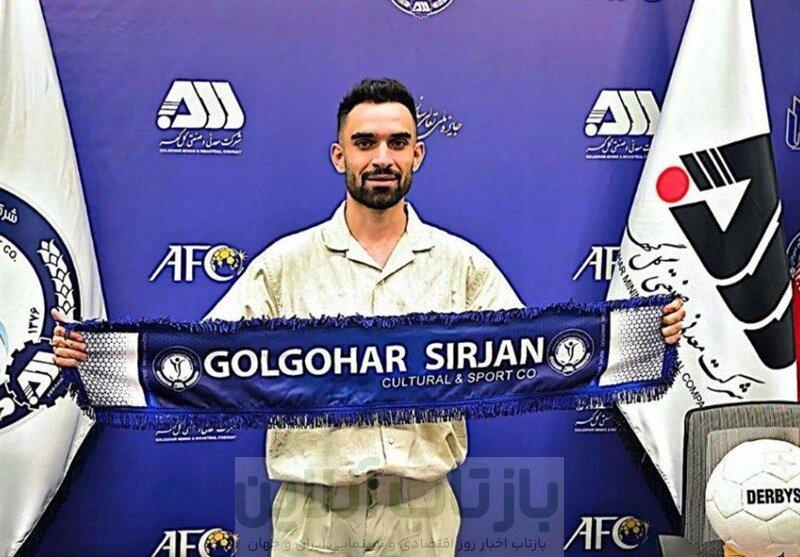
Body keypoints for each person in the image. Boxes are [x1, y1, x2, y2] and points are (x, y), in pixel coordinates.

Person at [53, 78, 685, 556]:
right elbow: (210, 360)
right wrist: (101, 360)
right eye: (365, 143)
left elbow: (533, 354)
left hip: (422, 513)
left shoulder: (462, 265)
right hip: (311, 514)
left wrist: (636, 341)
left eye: (397, 143)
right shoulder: (286, 264)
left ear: (417, 155)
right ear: (339, 156)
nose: (381, 156)